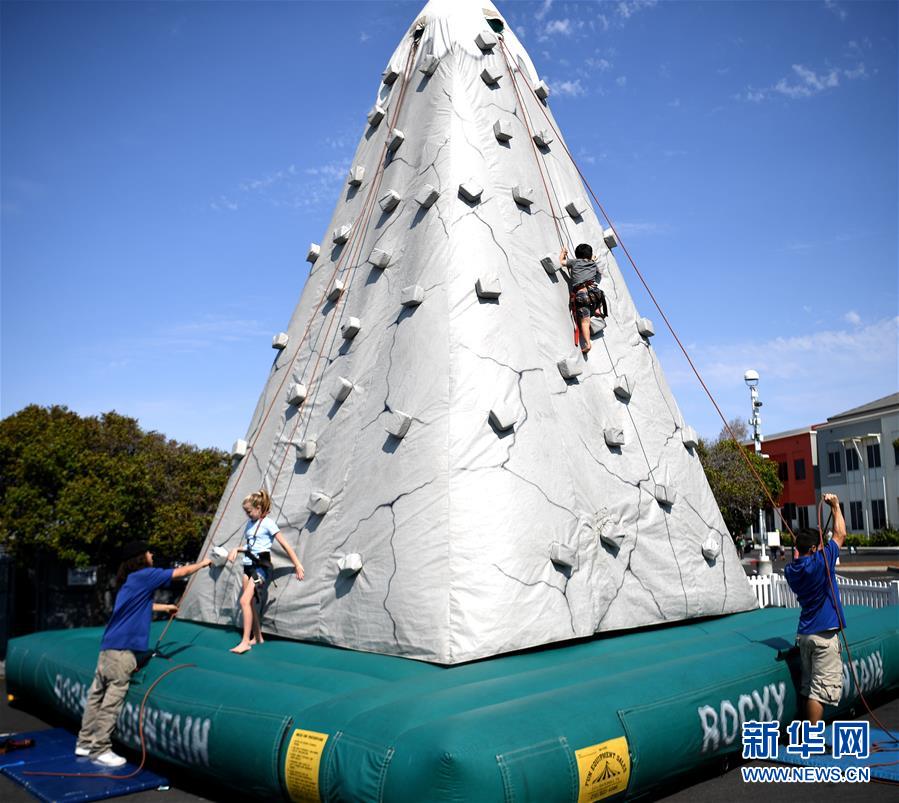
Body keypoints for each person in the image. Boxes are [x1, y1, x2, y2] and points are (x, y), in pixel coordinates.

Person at [75, 542, 212, 767]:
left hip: (107, 649)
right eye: (149, 552)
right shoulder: (146, 575)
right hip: (123, 652)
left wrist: (165, 607)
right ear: (140, 557)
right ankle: (100, 749)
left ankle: (84, 742)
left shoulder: (129, 581)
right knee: (112, 701)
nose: (152, 554)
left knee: (96, 696)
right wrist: (204, 563)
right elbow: (180, 572)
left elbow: (140, 606)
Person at [784, 493, 847, 723]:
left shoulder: (791, 571)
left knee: (808, 686)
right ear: (813, 549)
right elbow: (840, 534)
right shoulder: (821, 562)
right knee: (819, 693)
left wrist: (810, 546)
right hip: (823, 636)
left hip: (805, 634)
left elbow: (802, 555)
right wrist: (835, 506)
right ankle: (812, 737)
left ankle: (807, 733)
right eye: (818, 546)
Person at [227, 489, 304, 654]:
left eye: (249, 511)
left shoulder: (268, 523)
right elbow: (250, 545)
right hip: (247, 566)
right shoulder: (250, 523)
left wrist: (297, 564)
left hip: (260, 567)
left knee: (244, 601)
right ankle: (258, 637)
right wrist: (236, 549)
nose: (247, 515)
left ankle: (245, 642)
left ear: (258, 508)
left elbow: (285, 544)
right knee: (250, 603)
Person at [559, 242, 607, 354]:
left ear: (577, 255)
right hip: (595, 293)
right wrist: (592, 260)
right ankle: (596, 309)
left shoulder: (574, 262)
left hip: (582, 294)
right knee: (599, 298)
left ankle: (587, 344)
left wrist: (563, 253)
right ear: (590, 255)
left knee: (585, 322)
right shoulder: (593, 264)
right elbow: (599, 272)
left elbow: (561, 262)